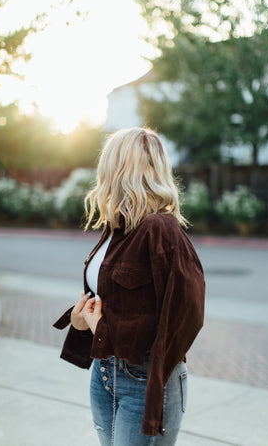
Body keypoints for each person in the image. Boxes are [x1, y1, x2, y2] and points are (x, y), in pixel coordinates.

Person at [53, 127, 205, 446]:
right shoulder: (117, 227)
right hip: (105, 374)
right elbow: (118, 303)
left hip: (145, 381)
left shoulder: (160, 229)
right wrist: (83, 321)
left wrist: (104, 329)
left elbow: (186, 316)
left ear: (119, 167)